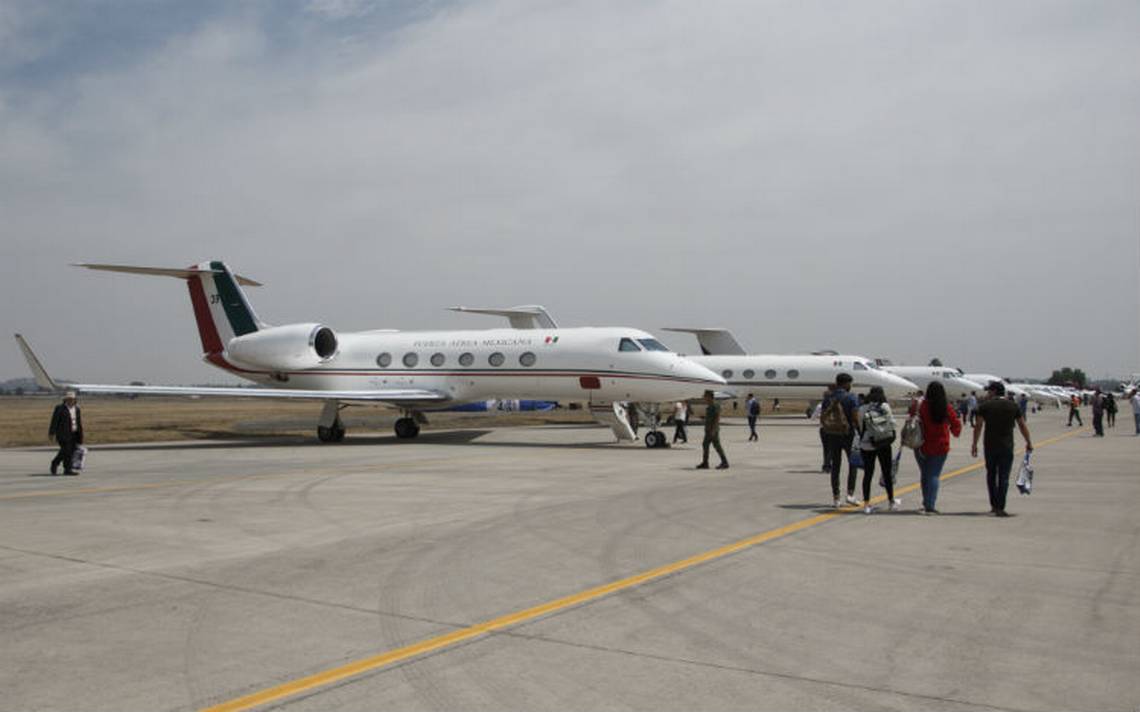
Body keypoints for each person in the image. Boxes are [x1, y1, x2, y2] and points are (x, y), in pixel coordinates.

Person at [971, 381, 1033, 517]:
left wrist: (974, 444)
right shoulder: (1013, 406)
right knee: (1004, 477)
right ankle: (1001, 506)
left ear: (993, 392)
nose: (987, 394)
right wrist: (1028, 442)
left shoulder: (985, 406)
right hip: (1007, 446)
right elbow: (1022, 425)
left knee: (991, 475)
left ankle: (994, 504)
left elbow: (979, 426)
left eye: (989, 391)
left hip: (990, 446)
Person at [909, 381, 962, 514]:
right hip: (940, 445)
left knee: (925, 474)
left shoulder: (921, 405)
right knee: (933, 475)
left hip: (921, 445)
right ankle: (930, 505)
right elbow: (956, 424)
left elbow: (911, 415)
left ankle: (926, 502)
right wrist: (955, 432)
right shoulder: (946, 407)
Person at [820, 373, 861, 508]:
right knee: (853, 464)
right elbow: (855, 418)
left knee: (835, 466)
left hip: (832, 434)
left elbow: (823, 417)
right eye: (850, 383)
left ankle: (836, 498)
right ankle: (850, 495)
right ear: (846, 383)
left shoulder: (828, 397)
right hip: (848, 435)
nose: (850, 386)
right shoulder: (851, 397)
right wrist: (859, 432)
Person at [856, 386, 899, 513]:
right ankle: (891, 501)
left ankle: (867, 504)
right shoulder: (885, 406)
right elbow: (891, 423)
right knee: (886, 473)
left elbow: (859, 426)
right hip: (883, 443)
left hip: (866, 444)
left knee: (868, 474)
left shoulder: (862, 408)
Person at [48, 391, 84, 476]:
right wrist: (51, 433)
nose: (71, 401)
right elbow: (54, 421)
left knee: (70, 452)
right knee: (66, 450)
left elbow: (79, 422)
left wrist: (81, 434)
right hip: (63, 434)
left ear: (75, 400)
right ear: (65, 400)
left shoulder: (77, 409)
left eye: (72, 399)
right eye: (69, 399)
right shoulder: (60, 408)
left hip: (74, 433)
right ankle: (55, 463)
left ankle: (67, 469)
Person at [697, 391, 728, 470]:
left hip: (713, 430)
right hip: (708, 430)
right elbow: (711, 417)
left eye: (705, 396)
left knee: (717, 446)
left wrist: (714, 430)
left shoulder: (715, 406)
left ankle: (725, 462)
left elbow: (717, 418)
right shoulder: (709, 406)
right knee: (705, 445)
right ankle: (705, 463)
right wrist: (704, 417)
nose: (704, 398)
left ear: (710, 397)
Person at [816, 387, 832, 472]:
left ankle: (825, 465)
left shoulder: (820, 405)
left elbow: (813, 417)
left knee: (825, 448)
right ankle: (830, 465)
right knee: (832, 448)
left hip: (823, 429)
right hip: (833, 429)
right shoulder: (835, 405)